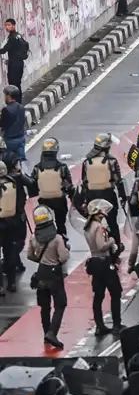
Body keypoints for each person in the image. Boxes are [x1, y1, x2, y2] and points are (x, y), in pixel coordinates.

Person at [27, 205, 69, 349]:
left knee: (44, 307)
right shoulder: (57, 239)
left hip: (41, 273)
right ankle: (52, 333)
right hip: (54, 274)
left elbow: (30, 255)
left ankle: (46, 333)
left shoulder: (33, 237)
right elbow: (63, 258)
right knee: (60, 304)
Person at [83, 198, 123, 337]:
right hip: (104, 262)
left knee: (98, 295)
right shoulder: (99, 228)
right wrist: (111, 240)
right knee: (116, 291)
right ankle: (117, 324)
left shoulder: (88, 227)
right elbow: (101, 246)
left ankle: (99, 325)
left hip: (94, 262)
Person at [0, 19, 29, 103]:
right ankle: (18, 102)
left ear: (13, 25)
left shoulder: (12, 38)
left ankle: (16, 103)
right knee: (17, 84)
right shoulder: (18, 35)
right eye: (6, 25)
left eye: (9, 25)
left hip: (14, 65)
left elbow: (4, 50)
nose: (7, 27)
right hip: (19, 63)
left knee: (13, 85)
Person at [1, 86, 26, 170]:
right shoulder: (21, 108)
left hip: (9, 141)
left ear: (9, 96)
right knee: (21, 161)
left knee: (8, 163)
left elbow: (3, 125)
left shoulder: (6, 110)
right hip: (21, 139)